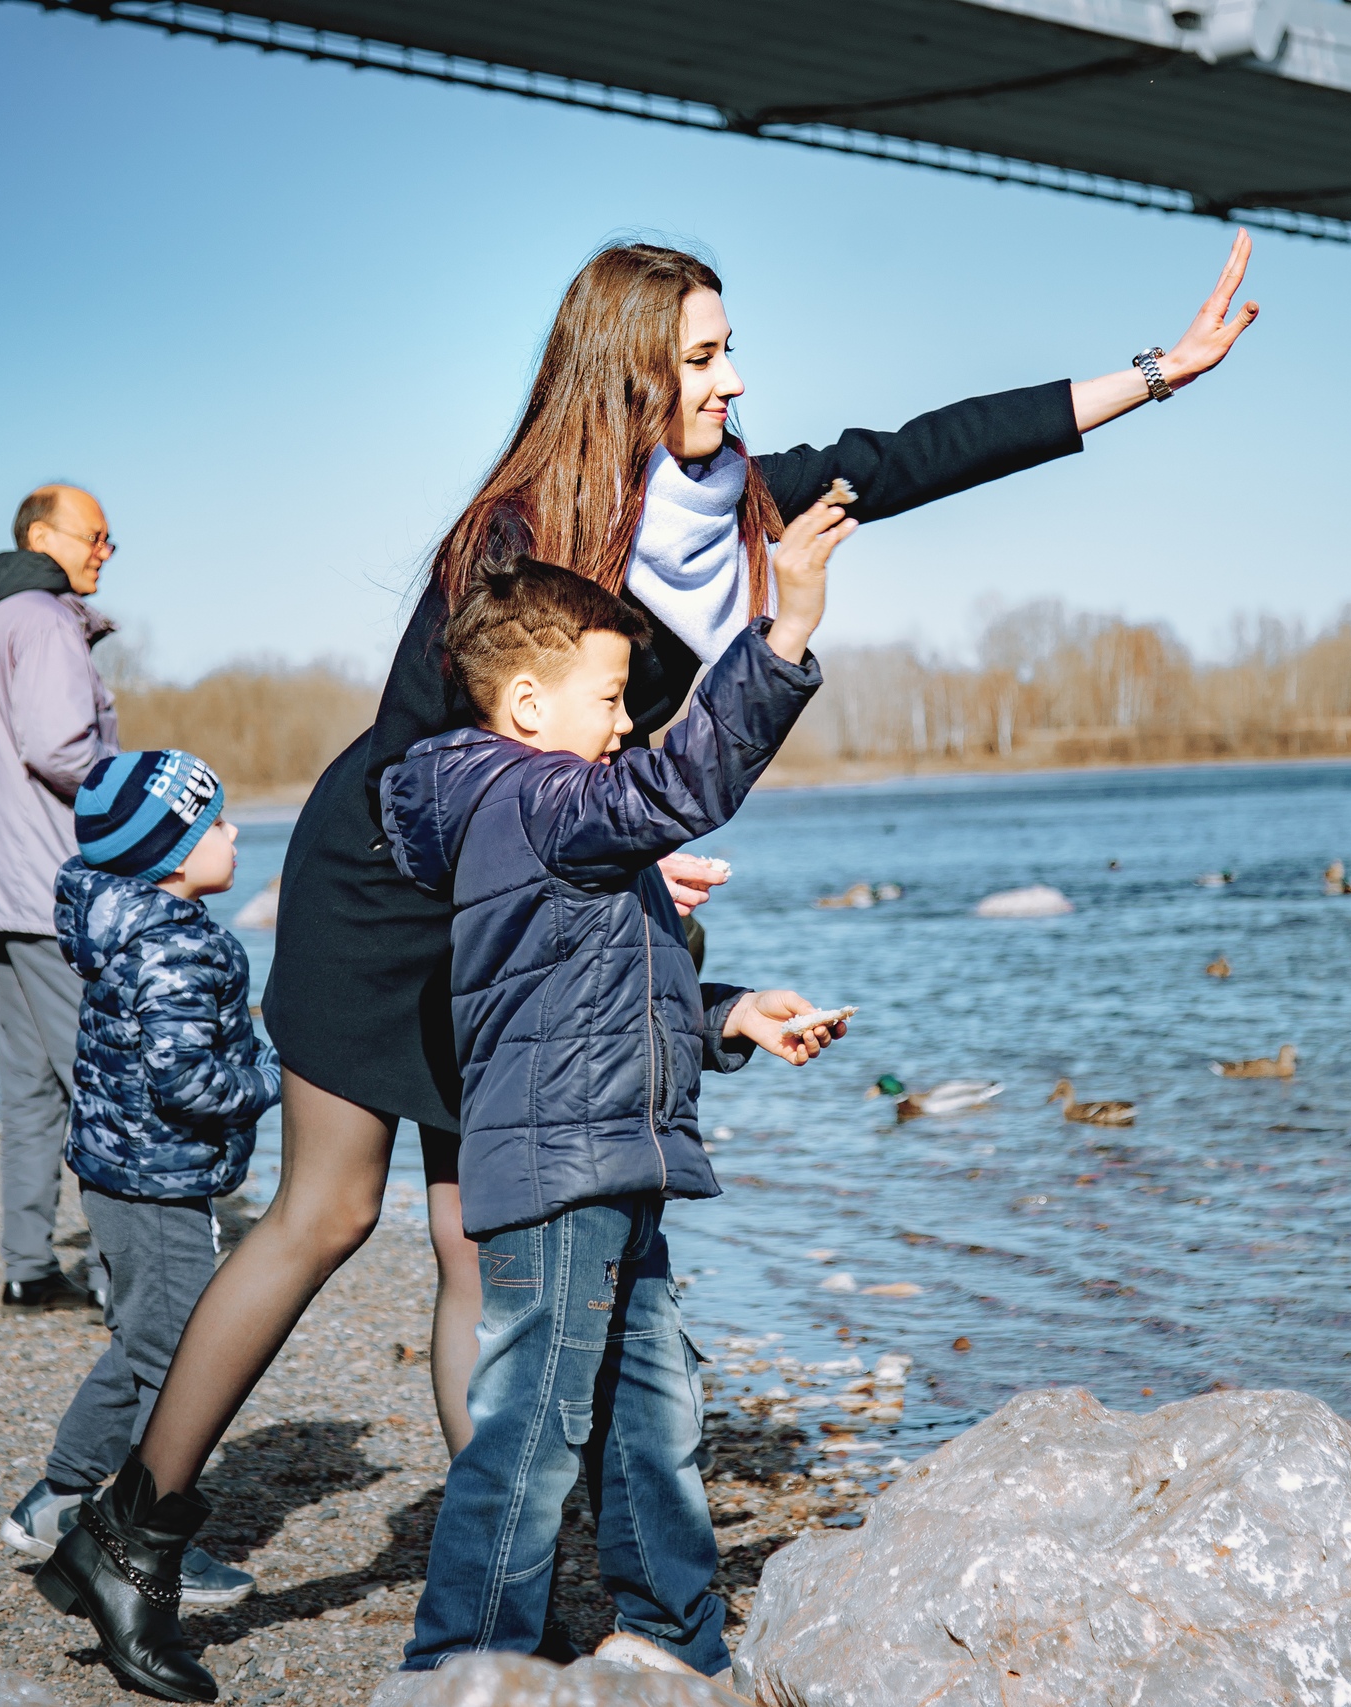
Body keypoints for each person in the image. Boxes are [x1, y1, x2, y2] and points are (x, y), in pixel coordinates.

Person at [101, 235, 1262, 1626]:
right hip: (393, 883)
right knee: (327, 1208)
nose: (734, 379)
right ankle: (133, 1528)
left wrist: (1153, 376)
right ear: (632, 374)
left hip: (533, 880)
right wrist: (606, 838)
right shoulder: (518, 537)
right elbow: (437, 767)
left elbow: (919, 453)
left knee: (482, 1233)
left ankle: (500, 1592)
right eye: (703, 357)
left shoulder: (731, 500)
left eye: (728, 349)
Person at [391, 545, 847, 1679]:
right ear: (531, 704)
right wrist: (783, 635)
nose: (622, 727)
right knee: (532, 1427)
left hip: (607, 1159)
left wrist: (729, 1017)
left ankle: (674, 1644)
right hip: (561, 1169)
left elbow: (604, 994)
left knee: (652, 1422)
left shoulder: (543, 817)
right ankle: (458, 1665)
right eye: (608, 700)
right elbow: (677, 785)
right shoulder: (536, 797)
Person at [5, 750, 274, 1640]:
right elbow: (187, 1078)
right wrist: (272, 1072)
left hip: (123, 1171)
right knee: (180, 1359)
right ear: (171, 856)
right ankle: (147, 1532)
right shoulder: (176, 941)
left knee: (142, 1338)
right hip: (156, 1178)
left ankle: (63, 1492)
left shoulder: (125, 921)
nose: (234, 834)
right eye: (216, 825)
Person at [0, 484, 121, 1311]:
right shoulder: (42, 619)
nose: (106, 550)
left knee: (31, 1084)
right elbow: (59, 747)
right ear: (43, 536)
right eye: (96, 535)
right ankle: (126, 1279)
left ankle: (26, 1262)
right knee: (100, 1081)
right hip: (45, 883)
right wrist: (139, 789)